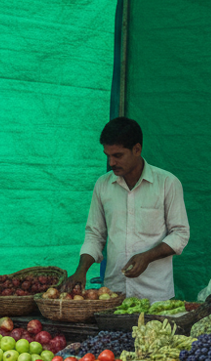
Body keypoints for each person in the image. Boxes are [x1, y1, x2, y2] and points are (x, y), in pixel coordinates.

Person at [64, 117, 190, 302]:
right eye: (107, 155)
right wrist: (81, 271)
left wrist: (147, 257)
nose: (111, 162)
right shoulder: (103, 185)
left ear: (137, 149)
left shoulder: (167, 183)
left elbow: (180, 234)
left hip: (155, 295)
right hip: (113, 293)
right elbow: (95, 235)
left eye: (117, 155)